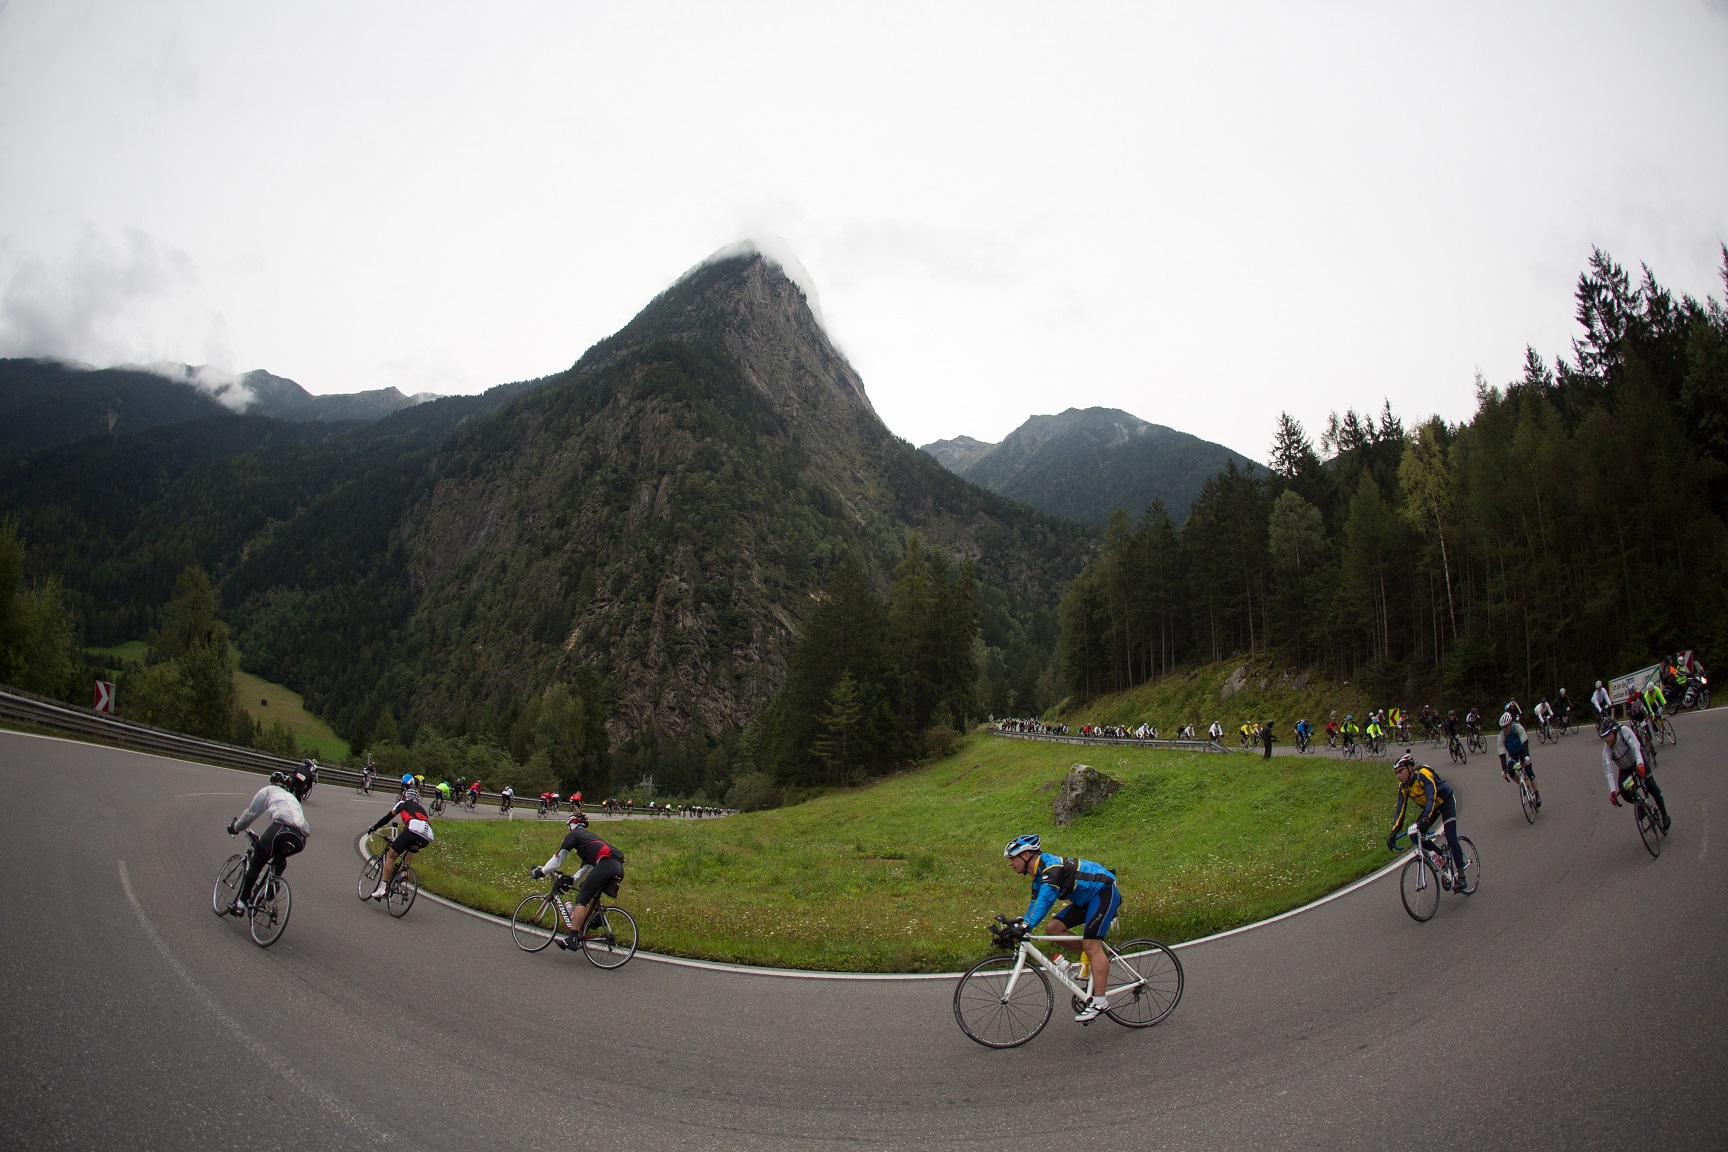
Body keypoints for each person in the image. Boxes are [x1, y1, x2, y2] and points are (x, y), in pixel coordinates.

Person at [1002, 833, 1120, 1022]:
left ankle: (1100, 1001)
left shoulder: (1051, 868)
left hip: (1104, 892)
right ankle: (1092, 959)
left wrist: (1027, 925)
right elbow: (1035, 903)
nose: (1010, 863)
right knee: (1053, 928)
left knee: (1092, 945)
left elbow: (1047, 899)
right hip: (1087, 900)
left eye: (1013, 858)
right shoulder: (1039, 874)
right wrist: (1021, 922)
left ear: (1026, 855)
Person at [531, 812, 624, 949]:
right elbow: (585, 869)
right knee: (587, 889)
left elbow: (558, 858)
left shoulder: (575, 835)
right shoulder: (588, 841)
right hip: (618, 868)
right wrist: (571, 882)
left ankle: (572, 939)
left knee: (581, 899)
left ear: (572, 824)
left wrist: (542, 871)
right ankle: (598, 918)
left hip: (607, 864)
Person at [226, 771, 310, 915]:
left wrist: (235, 828)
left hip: (281, 829)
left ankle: (240, 905)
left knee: (257, 862)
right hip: (301, 838)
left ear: (272, 782)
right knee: (279, 856)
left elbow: (251, 814)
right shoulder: (292, 798)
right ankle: (273, 882)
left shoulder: (268, 791)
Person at [1387, 753, 1469, 894]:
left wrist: (1425, 818)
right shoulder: (1404, 787)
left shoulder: (1423, 775)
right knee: (1413, 835)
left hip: (1445, 802)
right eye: (1396, 773)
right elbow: (1400, 810)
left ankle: (1461, 877)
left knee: (1450, 836)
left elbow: (1431, 797)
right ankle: (1441, 859)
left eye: (1401, 771)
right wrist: (1394, 832)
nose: (1398, 776)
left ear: (1410, 768)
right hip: (1430, 809)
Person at [364, 782, 435, 899]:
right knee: (408, 846)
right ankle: (404, 872)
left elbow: (388, 817)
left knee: (391, 855)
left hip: (413, 829)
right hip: (427, 836)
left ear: (405, 796)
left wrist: (374, 827)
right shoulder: (421, 809)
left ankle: (383, 889)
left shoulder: (403, 803)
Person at [1600, 715, 1671, 831]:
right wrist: (1612, 791)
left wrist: (1640, 764)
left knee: (1651, 784)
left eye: (1608, 735)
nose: (1606, 739)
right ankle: (1640, 804)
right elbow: (1609, 773)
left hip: (1637, 762)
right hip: (1625, 770)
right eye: (1604, 737)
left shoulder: (1624, 732)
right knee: (1624, 790)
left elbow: (1635, 747)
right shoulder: (1606, 751)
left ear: (1613, 731)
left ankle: (1664, 814)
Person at [1496, 710, 1541, 808]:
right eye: (1503, 728)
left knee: (1529, 771)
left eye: (1507, 726)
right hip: (1513, 756)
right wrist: (1504, 770)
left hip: (1523, 752)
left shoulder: (1517, 727)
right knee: (1510, 771)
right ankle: (1522, 784)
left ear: (1511, 724)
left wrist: (1526, 757)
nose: (1505, 729)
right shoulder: (1501, 736)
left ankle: (1537, 795)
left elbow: (1525, 742)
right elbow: (1502, 753)